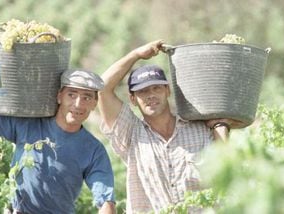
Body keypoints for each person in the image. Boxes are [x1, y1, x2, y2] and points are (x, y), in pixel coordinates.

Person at [0, 36, 116, 214]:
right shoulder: (28, 124)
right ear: (59, 96)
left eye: (86, 97)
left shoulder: (93, 150)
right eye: (72, 94)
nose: (78, 104)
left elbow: (106, 201)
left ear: (94, 104)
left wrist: (107, 207)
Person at [97, 40, 237, 213]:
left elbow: (225, 168)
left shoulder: (199, 128)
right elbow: (102, 88)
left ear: (168, 91)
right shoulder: (130, 133)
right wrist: (136, 55)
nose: (151, 95)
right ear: (133, 99)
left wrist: (221, 126)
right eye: (142, 91)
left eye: (156, 88)